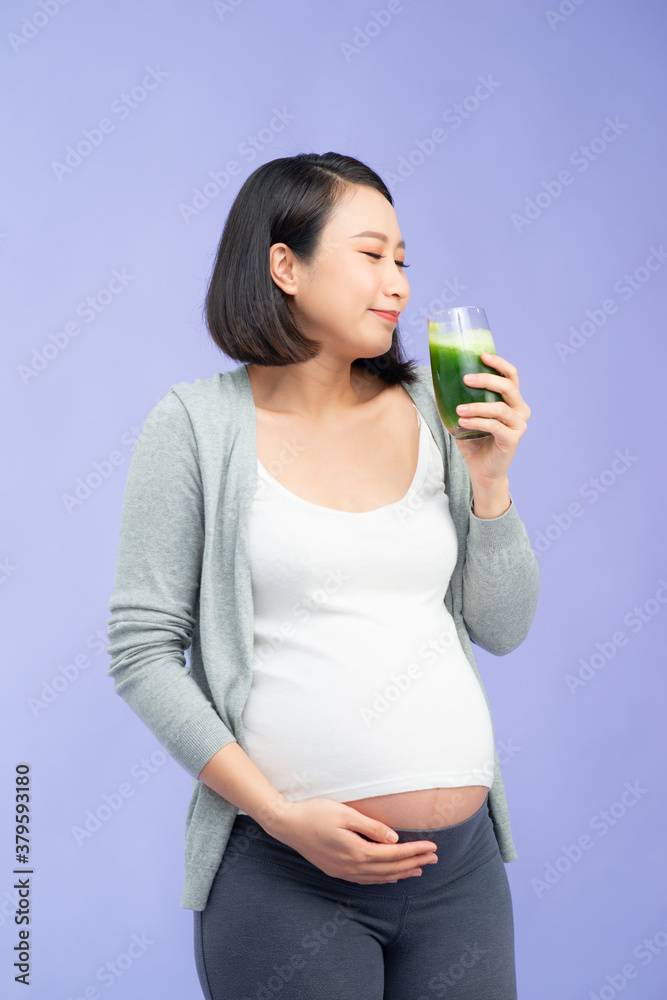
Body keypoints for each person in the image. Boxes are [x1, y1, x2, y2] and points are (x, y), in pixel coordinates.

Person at [106, 151, 539, 999]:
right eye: (372, 255)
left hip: (463, 876)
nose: (399, 283)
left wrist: (491, 483)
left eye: (403, 260)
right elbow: (142, 651)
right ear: (284, 266)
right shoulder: (195, 426)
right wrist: (277, 816)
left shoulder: (431, 409)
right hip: (288, 880)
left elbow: (503, 625)